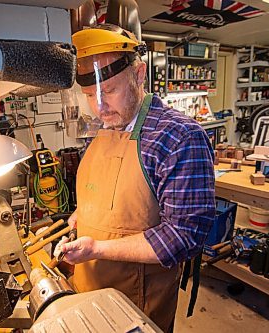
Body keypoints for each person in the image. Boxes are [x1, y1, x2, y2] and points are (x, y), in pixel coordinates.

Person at [55, 24, 216, 332]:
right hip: (88, 287)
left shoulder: (180, 136)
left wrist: (97, 249)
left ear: (139, 75)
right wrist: (83, 215)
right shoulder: (106, 126)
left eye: (110, 91)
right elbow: (109, 194)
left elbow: (185, 236)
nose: (99, 107)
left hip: (136, 303)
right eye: (90, 95)